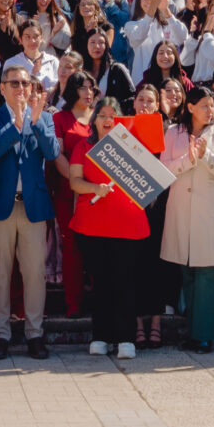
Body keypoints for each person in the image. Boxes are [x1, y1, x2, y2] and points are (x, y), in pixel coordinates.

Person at [65, 78, 157, 359]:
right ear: (94, 120)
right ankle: (100, 337)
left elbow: (151, 180)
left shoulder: (133, 146)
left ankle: (126, 339)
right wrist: (95, 189)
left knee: (125, 282)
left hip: (128, 226)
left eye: (112, 116)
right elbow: (74, 182)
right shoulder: (83, 146)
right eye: (102, 115)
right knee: (101, 282)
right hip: (93, 227)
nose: (107, 120)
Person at [0, 59, 60, 359]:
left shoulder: (44, 118)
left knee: (34, 273)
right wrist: (17, 125)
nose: (21, 88)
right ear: (2, 88)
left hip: (33, 207)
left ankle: (34, 333)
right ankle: (1, 334)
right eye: (15, 83)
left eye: (26, 83)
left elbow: (52, 152)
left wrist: (36, 122)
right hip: (1, 206)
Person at [160, 85, 214, 353]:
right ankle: (192, 332)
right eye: (204, 105)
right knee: (187, 273)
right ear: (190, 107)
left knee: (205, 274)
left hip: (207, 213)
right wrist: (187, 160)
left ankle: (204, 335)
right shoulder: (173, 132)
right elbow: (163, 168)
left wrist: (205, 157)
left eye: (212, 105)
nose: (209, 110)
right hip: (180, 210)